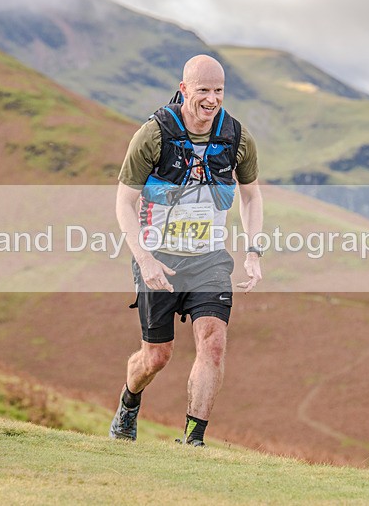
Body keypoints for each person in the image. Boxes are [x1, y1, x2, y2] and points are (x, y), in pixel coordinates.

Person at [110, 54, 264, 446]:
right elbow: (124, 201)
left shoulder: (236, 137)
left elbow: (251, 196)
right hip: (158, 258)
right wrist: (144, 259)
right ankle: (129, 403)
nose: (212, 99)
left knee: (213, 345)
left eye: (219, 91)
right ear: (184, 90)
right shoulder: (154, 134)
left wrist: (253, 252)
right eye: (203, 90)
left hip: (209, 261)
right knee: (156, 357)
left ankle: (193, 441)